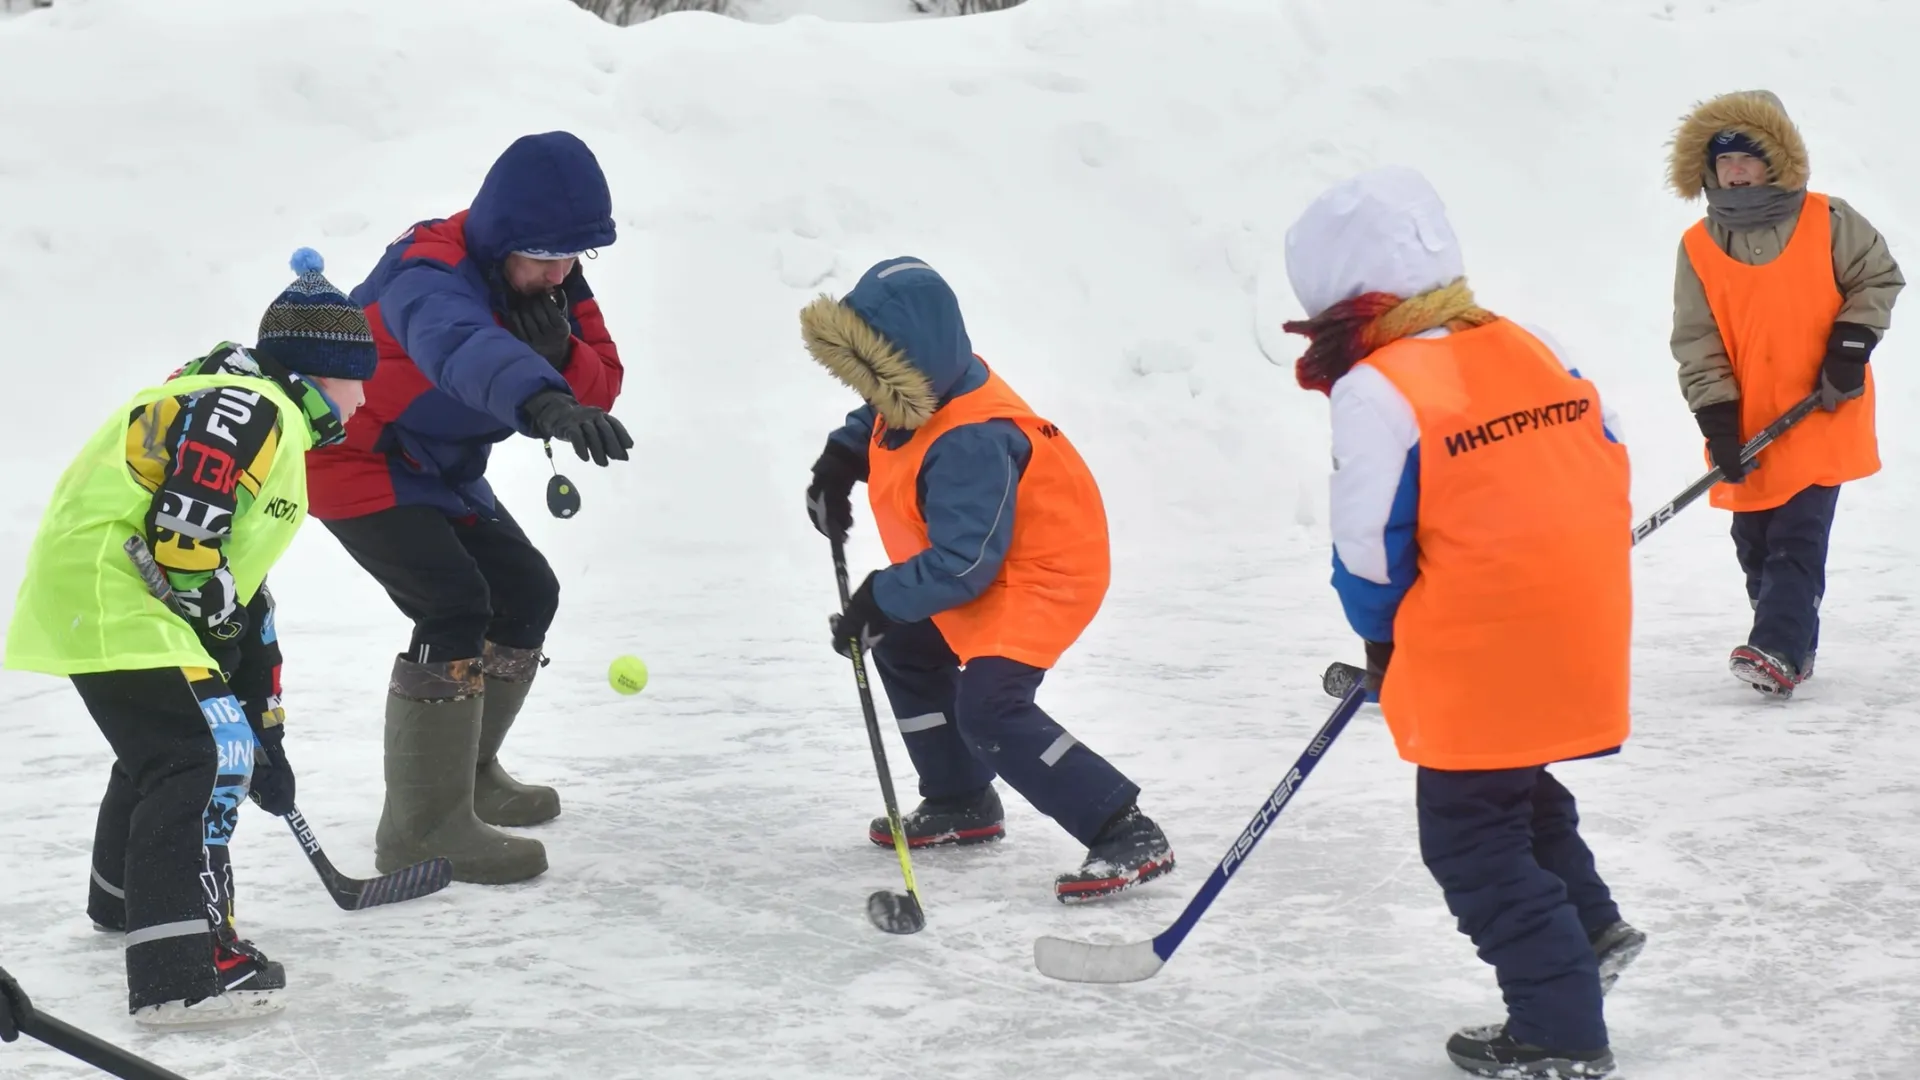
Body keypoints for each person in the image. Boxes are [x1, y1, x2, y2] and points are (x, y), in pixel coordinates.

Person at [1281, 167, 1645, 1077]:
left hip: (1480, 638)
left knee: (1468, 837)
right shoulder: (1527, 341)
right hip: (1577, 611)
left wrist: (1380, 632)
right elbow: (1605, 457)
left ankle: (1561, 1027)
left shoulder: (1379, 385)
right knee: (1508, 788)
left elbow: (1369, 546)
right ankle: (1590, 930)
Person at [3, 249, 373, 1028]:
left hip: (101, 593)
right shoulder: (252, 407)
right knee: (200, 757)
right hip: (120, 594)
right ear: (314, 373)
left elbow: (242, 591)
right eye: (355, 378)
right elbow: (183, 533)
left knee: (175, 744)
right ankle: (182, 971)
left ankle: (127, 902)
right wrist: (221, 638)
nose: (364, 397)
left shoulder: (241, 405)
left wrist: (268, 729)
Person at [306, 131, 633, 885]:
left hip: (438, 467)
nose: (560, 271)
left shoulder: (550, 277)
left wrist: (561, 358)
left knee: (526, 593)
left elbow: (605, 381)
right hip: (352, 457)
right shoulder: (429, 271)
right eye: (545, 254)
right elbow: (458, 347)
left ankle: (468, 778)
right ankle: (421, 828)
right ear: (501, 235)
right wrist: (544, 394)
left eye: (574, 256)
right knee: (454, 605)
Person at [801, 256, 1173, 903]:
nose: (867, 392)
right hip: (984, 564)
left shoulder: (974, 437)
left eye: (873, 375)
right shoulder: (922, 386)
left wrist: (879, 599)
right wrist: (841, 459)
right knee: (905, 647)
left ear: (908, 365)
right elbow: (884, 422)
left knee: (992, 708)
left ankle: (1124, 827)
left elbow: (965, 563)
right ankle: (960, 798)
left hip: (1043, 572)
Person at [1667, 89, 1903, 699]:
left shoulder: (1830, 219)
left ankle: (1776, 643)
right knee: (1756, 543)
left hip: (1822, 405)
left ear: (1776, 161)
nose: (1736, 170)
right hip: (1749, 422)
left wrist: (1850, 349)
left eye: (1748, 156)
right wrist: (1717, 421)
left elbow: (1877, 276)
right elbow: (1697, 339)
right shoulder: (1698, 244)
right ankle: (1790, 645)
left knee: (1797, 536)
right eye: (1724, 162)